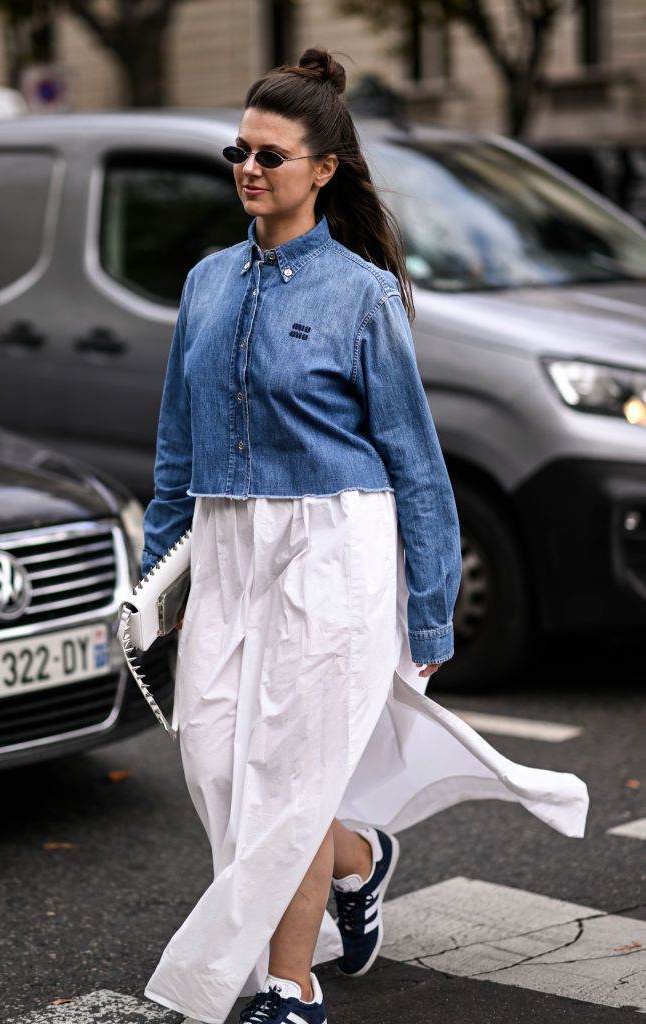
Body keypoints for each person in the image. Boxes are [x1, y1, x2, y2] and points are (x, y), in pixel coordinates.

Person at [139, 47, 589, 1024]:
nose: (248, 170)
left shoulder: (361, 292)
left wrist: (429, 615)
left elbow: (416, 463)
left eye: (270, 155)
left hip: (334, 547)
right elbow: (176, 444)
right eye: (238, 152)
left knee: (288, 780)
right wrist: (149, 582)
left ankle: (288, 987)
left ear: (324, 169)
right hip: (226, 544)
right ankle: (361, 854)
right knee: (216, 764)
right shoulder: (207, 283)